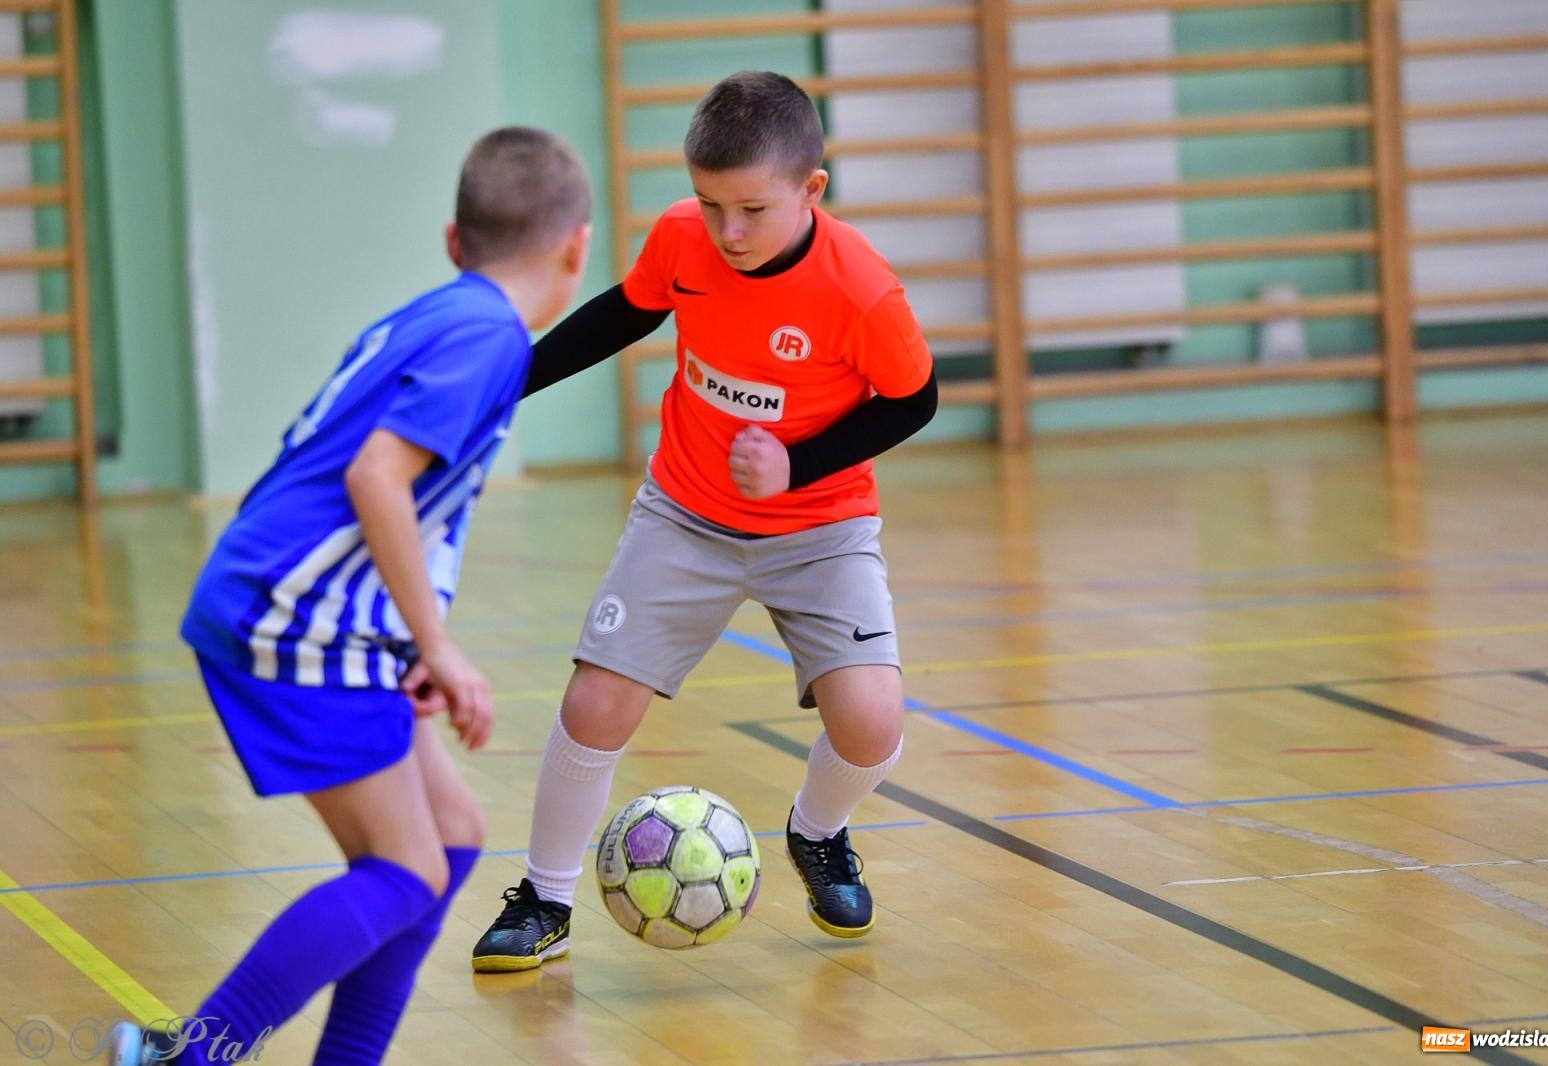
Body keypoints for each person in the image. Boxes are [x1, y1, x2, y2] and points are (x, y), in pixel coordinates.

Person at [106, 126, 592, 1065]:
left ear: (457, 243)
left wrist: (412, 644)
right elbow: (376, 479)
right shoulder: (490, 336)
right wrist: (439, 646)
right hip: (294, 618)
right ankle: (188, 1056)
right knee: (404, 868)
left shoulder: (443, 313)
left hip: (312, 611)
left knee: (449, 840)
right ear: (577, 247)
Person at [472, 70, 937, 973]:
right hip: (685, 515)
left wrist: (795, 465)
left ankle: (818, 831)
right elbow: (625, 313)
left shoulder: (862, 290)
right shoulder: (686, 241)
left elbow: (913, 402)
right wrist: (509, 381)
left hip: (822, 528)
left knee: (872, 723)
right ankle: (546, 898)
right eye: (708, 203)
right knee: (595, 700)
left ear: (812, 191)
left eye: (752, 209)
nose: (728, 232)